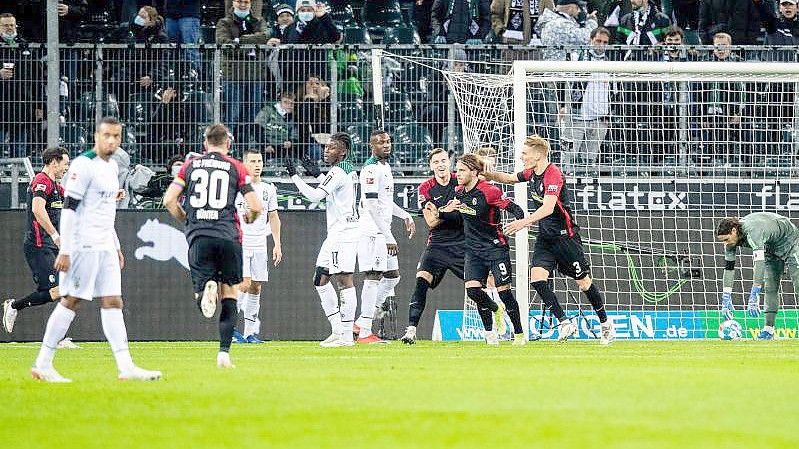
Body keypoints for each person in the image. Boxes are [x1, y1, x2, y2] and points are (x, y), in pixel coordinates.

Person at [30, 117, 161, 382]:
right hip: (84, 246)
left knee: (113, 301)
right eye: (106, 135)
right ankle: (43, 363)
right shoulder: (83, 165)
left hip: (105, 246)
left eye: (116, 136)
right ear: (96, 137)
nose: (111, 140)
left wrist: (116, 245)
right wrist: (66, 249)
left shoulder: (112, 167)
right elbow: (70, 209)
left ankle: (126, 367)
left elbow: (105, 211)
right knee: (71, 300)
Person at [483, 135, 615, 344]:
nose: (521, 157)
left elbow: (548, 207)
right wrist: (485, 173)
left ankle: (606, 324)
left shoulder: (553, 174)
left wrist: (523, 222)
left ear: (538, 155)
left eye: (524, 153)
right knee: (537, 279)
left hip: (565, 238)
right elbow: (508, 178)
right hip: (546, 239)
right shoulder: (531, 173)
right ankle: (564, 322)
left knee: (583, 283)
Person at [163, 123, 263, 368]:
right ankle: (224, 354)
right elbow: (256, 206)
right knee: (230, 295)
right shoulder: (236, 166)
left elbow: (169, 200)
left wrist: (187, 220)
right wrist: (249, 218)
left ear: (205, 143)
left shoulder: (189, 166)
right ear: (228, 143)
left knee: (203, 296)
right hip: (228, 235)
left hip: (200, 236)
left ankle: (204, 291)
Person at [434, 153, 526, 345]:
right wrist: (445, 210)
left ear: (474, 172)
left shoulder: (490, 191)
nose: (458, 174)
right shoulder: (459, 192)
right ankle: (494, 317)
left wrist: (519, 223)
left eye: (462, 170)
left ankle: (519, 335)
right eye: (457, 170)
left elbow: (516, 209)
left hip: (495, 249)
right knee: (474, 291)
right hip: (473, 250)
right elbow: (450, 214)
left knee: (504, 292)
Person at [286, 133, 360, 347]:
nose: (326, 150)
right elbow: (335, 192)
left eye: (332, 147)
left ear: (343, 151)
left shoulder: (338, 171)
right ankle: (337, 329)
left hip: (343, 233)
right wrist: (317, 174)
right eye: (326, 147)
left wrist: (295, 176)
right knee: (320, 278)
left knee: (344, 280)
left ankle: (347, 336)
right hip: (337, 233)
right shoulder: (346, 169)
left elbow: (315, 196)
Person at [354, 130, 415, 344]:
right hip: (373, 232)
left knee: (393, 277)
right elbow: (371, 205)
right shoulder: (370, 169)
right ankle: (364, 332)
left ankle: (361, 322)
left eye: (388, 141)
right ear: (371, 146)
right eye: (381, 142)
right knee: (373, 277)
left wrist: (405, 214)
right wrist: (388, 235)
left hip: (383, 230)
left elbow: (385, 203)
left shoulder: (385, 167)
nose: (386, 145)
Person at [400, 148, 464, 344]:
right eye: (436, 162)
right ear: (430, 166)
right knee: (421, 280)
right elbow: (431, 221)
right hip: (437, 244)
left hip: (462, 243)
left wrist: (440, 211)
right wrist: (449, 210)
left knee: (479, 286)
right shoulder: (426, 188)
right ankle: (411, 330)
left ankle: (495, 325)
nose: (440, 165)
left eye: (443, 160)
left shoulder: (461, 181)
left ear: (449, 162)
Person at [3, 148, 70, 334]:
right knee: (56, 290)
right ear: (54, 162)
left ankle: (58, 336)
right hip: (38, 245)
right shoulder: (41, 181)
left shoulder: (55, 186)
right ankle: (14, 306)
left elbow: (74, 200)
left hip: (50, 246)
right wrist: (56, 236)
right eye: (65, 163)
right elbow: (37, 210)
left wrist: (109, 197)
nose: (67, 168)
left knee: (66, 289)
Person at [716, 213, 799, 340]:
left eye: (726, 239)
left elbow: (759, 263)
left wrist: (754, 293)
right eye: (722, 241)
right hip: (770, 248)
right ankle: (768, 330)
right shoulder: (730, 243)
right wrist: (726, 297)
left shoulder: (752, 231)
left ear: (733, 231)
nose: (725, 244)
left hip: (790, 241)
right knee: (770, 287)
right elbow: (729, 268)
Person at [233, 148, 282, 344]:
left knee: (256, 286)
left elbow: (274, 217)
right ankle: (231, 329)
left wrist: (277, 244)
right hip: (241, 243)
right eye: (252, 161)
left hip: (260, 243)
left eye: (259, 161)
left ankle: (250, 333)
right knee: (244, 284)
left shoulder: (268, 189)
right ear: (244, 164)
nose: (257, 165)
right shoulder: (237, 188)